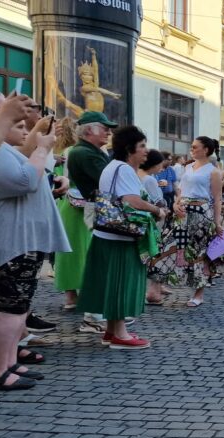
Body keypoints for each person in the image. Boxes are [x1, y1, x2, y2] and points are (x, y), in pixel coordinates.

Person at [0, 88, 69, 390]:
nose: (17, 113)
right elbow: (22, 180)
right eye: (5, 109)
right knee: (8, 308)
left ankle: (8, 364)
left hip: (18, 239)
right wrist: (41, 149)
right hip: (8, 241)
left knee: (17, 307)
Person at [76, 126, 166, 350]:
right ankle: (120, 335)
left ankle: (112, 331)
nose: (146, 151)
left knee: (112, 283)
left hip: (109, 234)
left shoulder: (113, 167)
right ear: (129, 148)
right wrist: (156, 210)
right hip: (120, 237)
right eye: (142, 146)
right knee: (120, 283)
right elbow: (131, 201)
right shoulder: (123, 169)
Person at [55, 111, 117, 317]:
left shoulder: (87, 150)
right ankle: (78, 298)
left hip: (81, 206)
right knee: (76, 251)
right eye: (104, 128)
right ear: (89, 130)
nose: (109, 132)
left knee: (81, 250)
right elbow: (108, 181)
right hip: (76, 206)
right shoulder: (80, 152)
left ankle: (80, 297)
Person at [173, 137, 224, 306]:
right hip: (182, 212)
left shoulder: (213, 171)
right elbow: (180, 191)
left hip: (201, 213)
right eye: (192, 147)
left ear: (206, 150)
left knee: (200, 253)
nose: (192, 149)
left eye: (195, 147)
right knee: (174, 248)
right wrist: (175, 204)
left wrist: (217, 223)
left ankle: (199, 293)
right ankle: (161, 285)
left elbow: (217, 198)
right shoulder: (188, 167)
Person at [138, 150, 169, 304]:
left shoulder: (138, 175)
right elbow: (158, 201)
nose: (161, 168)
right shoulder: (149, 179)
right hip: (154, 221)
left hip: (142, 220)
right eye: (160, 165)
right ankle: (154, 292)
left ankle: (155, 288)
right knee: (158, 254)